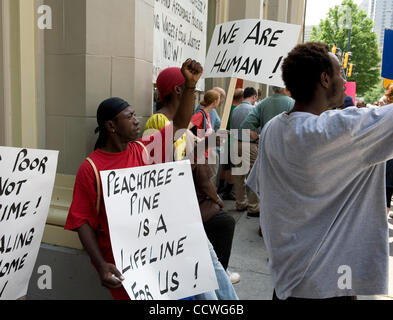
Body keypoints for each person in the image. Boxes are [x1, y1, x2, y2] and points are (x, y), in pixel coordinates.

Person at [247, 42, 393, 300]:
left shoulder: (271, 129)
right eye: (341, 73)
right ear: (325, 79)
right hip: (330, 286)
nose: (344, 80)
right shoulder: (341, 130)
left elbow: (262, 188)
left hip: (285, 283)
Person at [64, 59, 203, 300]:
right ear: (111, 126)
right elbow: (81, 221)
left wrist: (190, 86)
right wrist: (100, 265)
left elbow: (180, 124)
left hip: (158, 254)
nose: (137, 120)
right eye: (129, 116)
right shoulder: (91, 168)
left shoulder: (143, 149)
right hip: (124, 266)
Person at [144, 69, 239, 297]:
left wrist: (211, 140)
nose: (196, 95)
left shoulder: (181, 124)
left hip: (184, 205)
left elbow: (191, 146)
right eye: (191, 90)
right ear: (179, 90)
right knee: (202, 267)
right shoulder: (159, 121)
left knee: (209, 264)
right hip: (173, 211)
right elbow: (168, 158)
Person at [230, 87, 260, 218]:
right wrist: (258, 138)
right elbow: (255, 131)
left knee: (239, 175)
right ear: (253, 97)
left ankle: (240, 203)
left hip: (236, 143)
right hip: (249, 144)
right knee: (254, 175)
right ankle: (253, 206)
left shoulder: (235, 109)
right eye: (256, 98)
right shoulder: (253, 110)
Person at [217, 88, 244, 200]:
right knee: (232, 168)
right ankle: (228, 191)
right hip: (232, 141)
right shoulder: (238, 110)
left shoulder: (227, 109)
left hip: (224, 141)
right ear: (242, 98)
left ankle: (221, 188)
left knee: (225, 166)